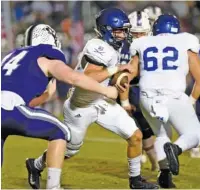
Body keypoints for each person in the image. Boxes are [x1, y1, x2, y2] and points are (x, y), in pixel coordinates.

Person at [26, 8, 159, 189]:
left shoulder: (112, 47)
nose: (124, 35)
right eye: (119, 31)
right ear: (106, 30)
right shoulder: (98, 46)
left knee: (135, 135)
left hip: (101, 101)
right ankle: (36, 164)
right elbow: (89, 78)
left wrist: (117, 78)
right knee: (71, 149)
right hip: (80, 106)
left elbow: (106, 74)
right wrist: (115, 71)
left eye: (124, 30)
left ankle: (135, 180)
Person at [1, 24, 118, 189]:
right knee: (61, 132)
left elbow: (25, 103)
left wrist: (47, 95)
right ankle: (53, 187)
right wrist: (105, 90)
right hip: (11, 109)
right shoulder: (44, 59)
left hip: (7, 109)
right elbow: (74, 78)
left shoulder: (10, 58)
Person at [126, 14, 200, 188]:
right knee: (195, 135)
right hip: (173, 96)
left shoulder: (143, 42)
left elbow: (130, 72)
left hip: (146, 97)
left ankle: (164, 175)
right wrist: (191, 100)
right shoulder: (185, 41)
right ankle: (176, 149)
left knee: (161, 135)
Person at [119, 10, 158, 171]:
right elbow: (124, 77)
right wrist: (124, 101)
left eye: (142, 33)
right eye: (135, 33)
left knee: (147, 128)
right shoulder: (122, 46)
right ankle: (156, 163)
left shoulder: (154, 45)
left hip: (147, 89)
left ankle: (157, 163)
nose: (138, 37)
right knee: (139, 127)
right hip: (126, 89)